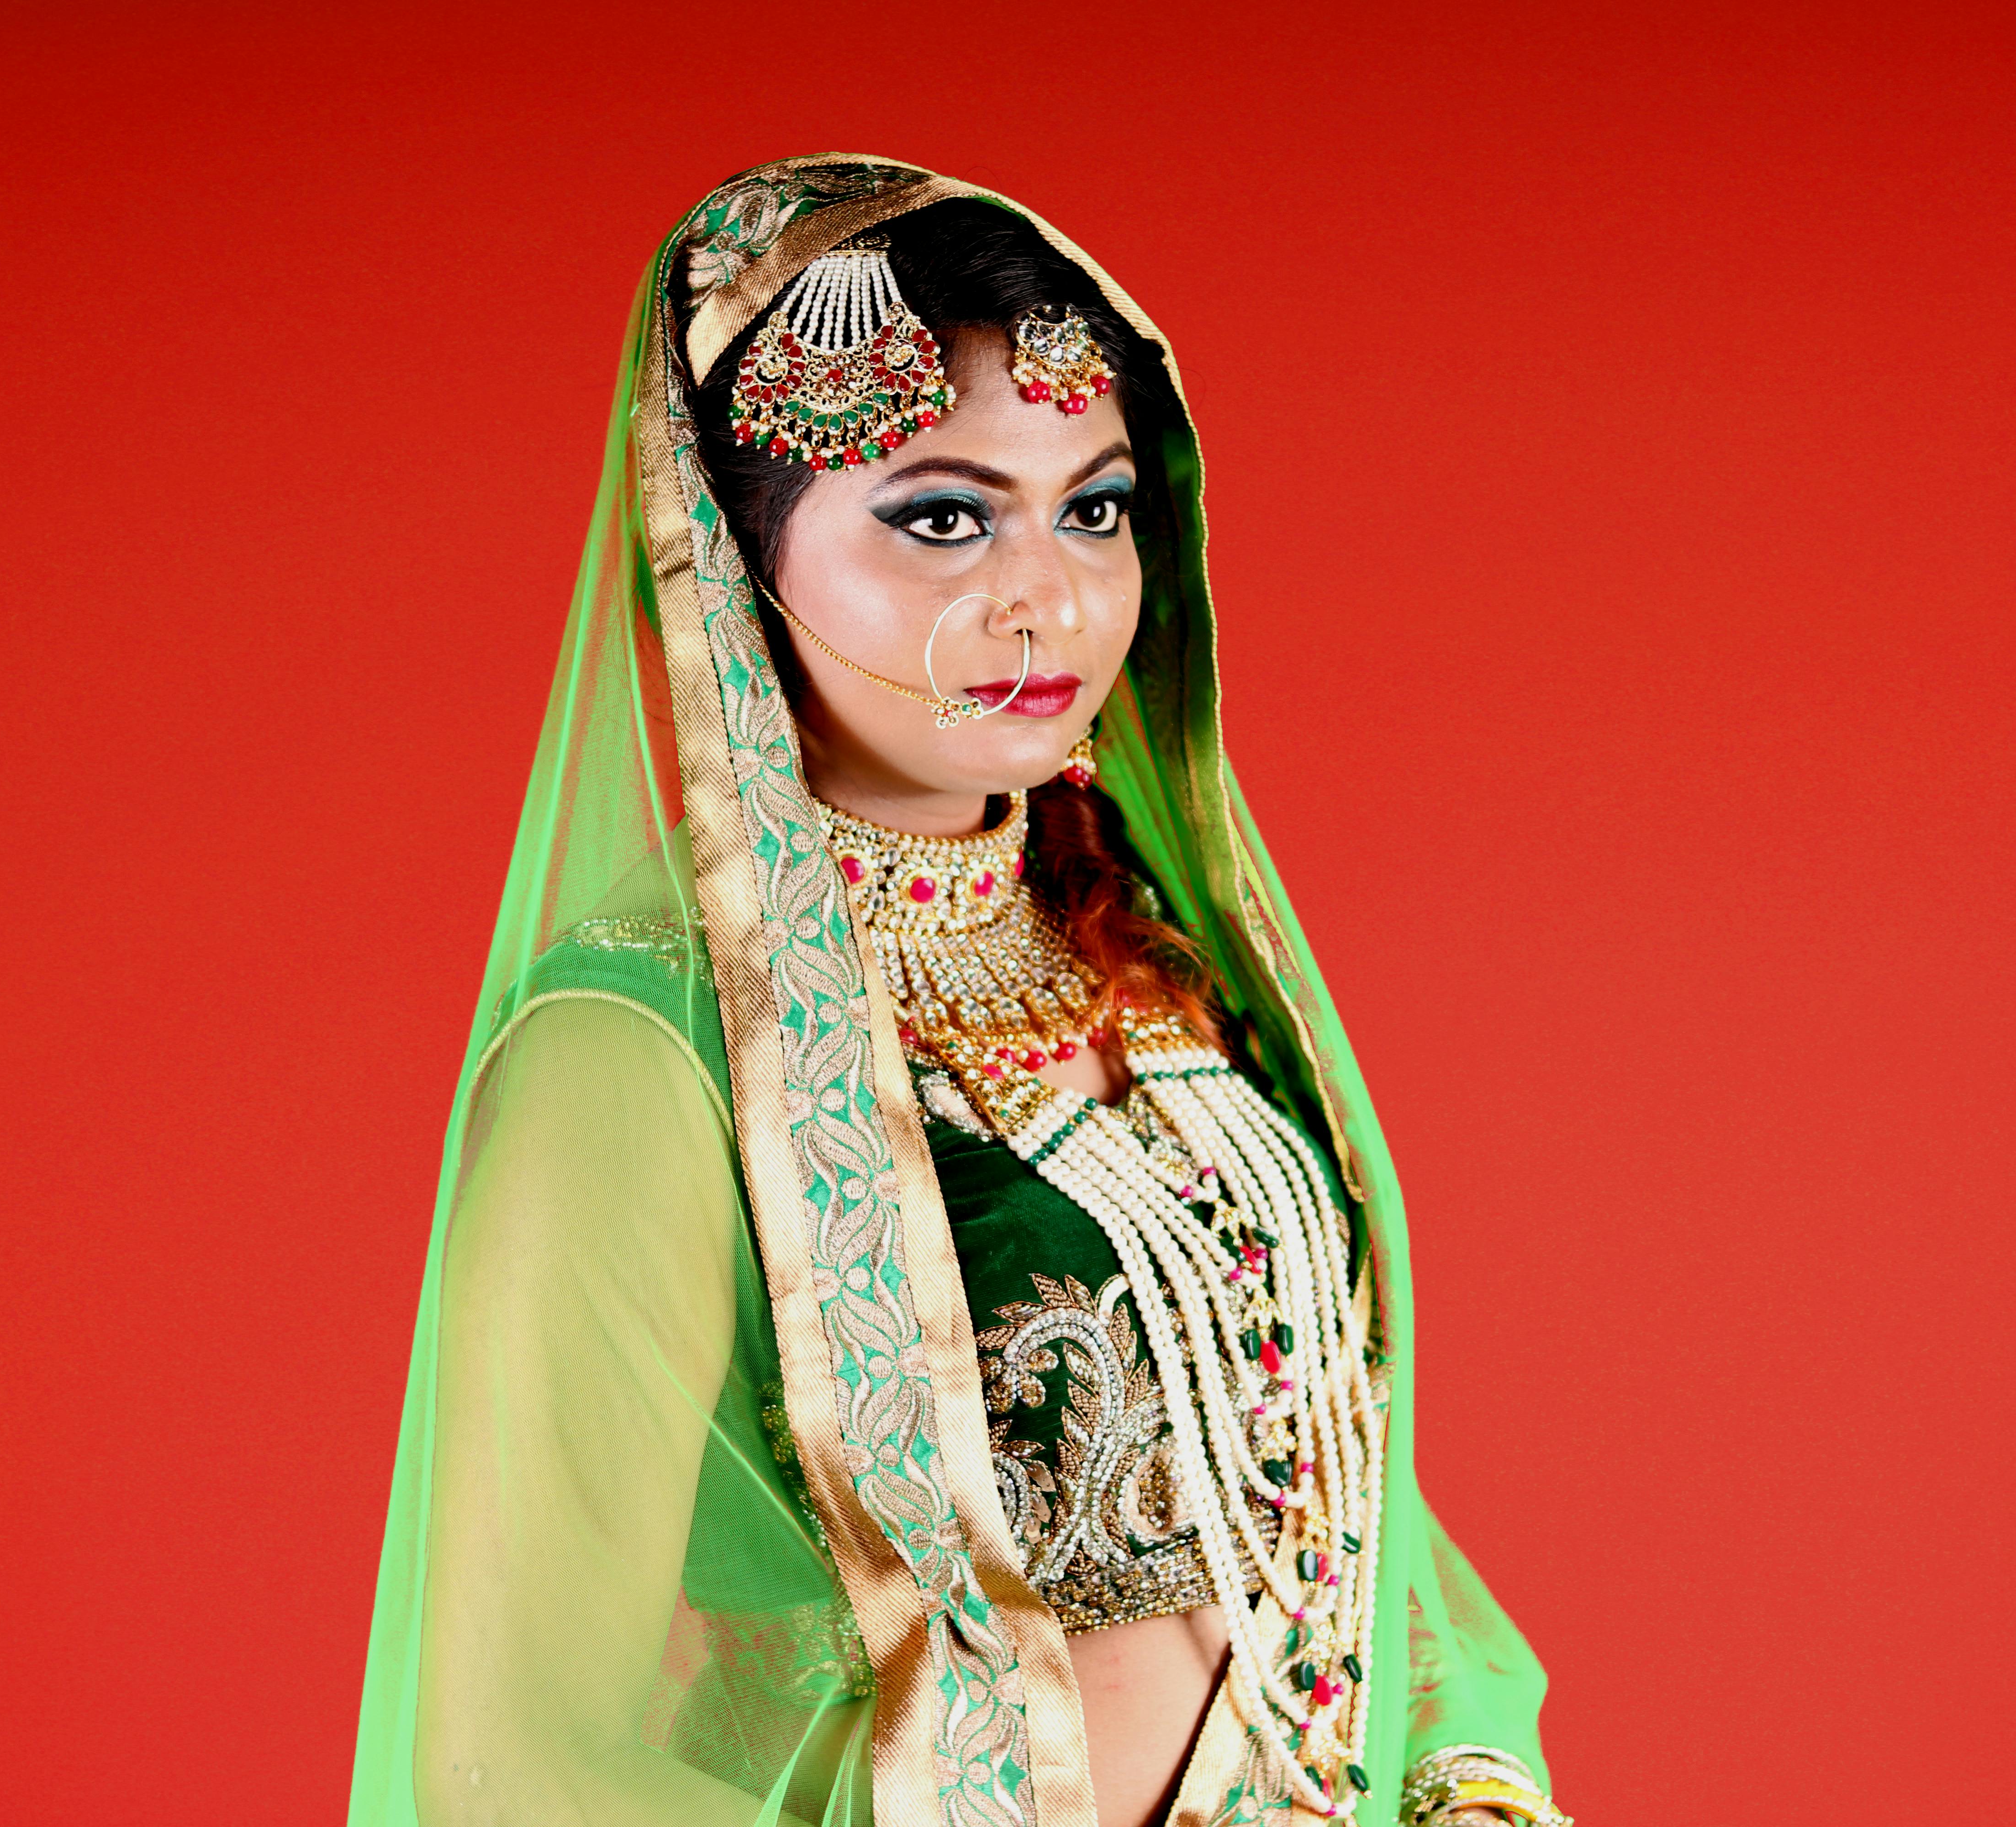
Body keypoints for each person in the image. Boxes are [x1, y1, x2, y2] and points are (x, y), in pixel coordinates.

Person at [347, 156, 1567, 1827]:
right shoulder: (640, 1052)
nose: (1048, 596)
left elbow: (1344, 1500)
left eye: (1096, 505)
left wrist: (1472, 1780)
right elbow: (513, 1764)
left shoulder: (1144, 942)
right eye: (940, 515)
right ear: (733, 560)